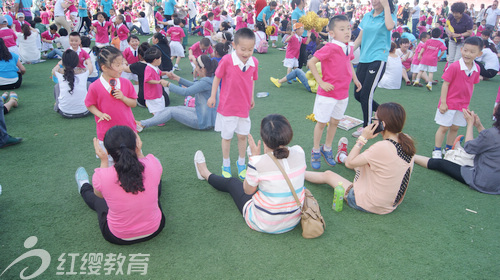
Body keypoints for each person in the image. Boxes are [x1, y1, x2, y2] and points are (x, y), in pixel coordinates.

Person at [194, 114, 306, 233]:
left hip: (263, 223)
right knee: (272, 183)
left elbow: (248, 191)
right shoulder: (299, 151)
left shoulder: (258, 163)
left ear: (263, 139)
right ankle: (254, 175)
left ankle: (204, 173)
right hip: (294, 220)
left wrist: (254, 158)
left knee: (232, 183)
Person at [305, 102, 416, 214]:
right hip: (390, 205)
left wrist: (363, 138)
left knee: (328, 175)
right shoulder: (407, 140)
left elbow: (350, 163)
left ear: (383, 124)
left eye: (375, 119)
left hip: (369, 204)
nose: (372, 122)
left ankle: (297, 174)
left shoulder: (383, 147)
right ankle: (341, 156)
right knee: (363, 164)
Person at [75, 125, 165, 244]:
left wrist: (104, 161)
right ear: (136, 144)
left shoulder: (102, 175)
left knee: (99, 202)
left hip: (119, 236)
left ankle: (83, 184)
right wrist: (138, 151)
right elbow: (147, 166)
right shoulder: (153, 163)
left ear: (107, 151)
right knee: (155, 183)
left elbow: (99, 195)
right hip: (155, 229)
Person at [307, 15, 361, 169]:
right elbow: (311, 62)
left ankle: (327, 148)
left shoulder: (348, 47)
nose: (347, 32)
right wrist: (321, 82)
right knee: (322, 123)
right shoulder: (330, 47)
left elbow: (349, 63)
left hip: (343, 94)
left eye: (348, 28)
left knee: (335, 122)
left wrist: (355, 79)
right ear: (331, 33)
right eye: (342, 29)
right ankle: (316, 150)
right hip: (327, 94)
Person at [207, 28, 258, 180]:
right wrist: (212, 96)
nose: (247, 53)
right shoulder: (227, 60)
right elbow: (217, 77)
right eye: (243, 49)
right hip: (228, 107)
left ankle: (241, 163)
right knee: (227, 137)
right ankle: (226, 164)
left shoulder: (254, 62)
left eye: (250, 49)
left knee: (242, 136)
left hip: (243, 108)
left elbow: (252, 81)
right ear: (234, 46)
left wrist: (251, 97)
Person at [415, 107, 500, 195]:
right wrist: (478, 125)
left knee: (440, 163)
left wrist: (470, 124)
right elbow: (491, 140)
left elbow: (469, 148)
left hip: (484, 182)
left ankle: (411, 156)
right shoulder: (492, 134)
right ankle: (456, 148)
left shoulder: (492, 133)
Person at [136, 55, 217, 131]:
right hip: (205, 117)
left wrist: (168, 84)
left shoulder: (206, 81)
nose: (195, 69)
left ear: (202, 69)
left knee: (171, 111)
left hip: (202, 122)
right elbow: (195, 85)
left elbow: (185, 92)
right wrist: (178, 78)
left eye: (196, 66)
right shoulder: (211, 78)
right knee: (171, 109)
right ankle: (144, 123)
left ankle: (143, 124)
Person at [431, 37, 482, 159]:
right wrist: (443, 103)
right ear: (461, 49)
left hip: (462, 105)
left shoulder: (477, 69)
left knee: (455, 127)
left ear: (479, 54)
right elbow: (445, 84)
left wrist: (467, 103)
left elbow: (472, 86)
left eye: (472, 52)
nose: (467, 54)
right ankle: (437, 149)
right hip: (449, 104)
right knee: (443, 127)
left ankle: (448, 148)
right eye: (465, 50)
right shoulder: (454, 66)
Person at [351, 0, 396, 138]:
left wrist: (387, 6)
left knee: (366, 94)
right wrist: (347, 52)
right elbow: (359, 38)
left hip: (378, 59)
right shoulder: (367, 16)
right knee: (358, 94)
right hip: (364, 59)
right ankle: (387, 113)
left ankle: (368, 128)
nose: (375, 1)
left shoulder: (389, 15)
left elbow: (389, 26)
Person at [84, 46, 137, 153]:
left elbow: (133, 103)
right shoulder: (95, 86)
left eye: (122, 63)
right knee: (109, 160)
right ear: (104, 68)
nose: (122, 67)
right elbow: (89, 104)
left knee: (131, 159)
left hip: (127, 129)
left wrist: (123, 98)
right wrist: (99, 114)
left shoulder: (126, 83)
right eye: (118, 65)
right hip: (106, 132)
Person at [52, 49, 91, 118]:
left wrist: (59, 63)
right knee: (88, 84)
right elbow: (91, 69)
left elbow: (53, 70)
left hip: (64, 112)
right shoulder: (83, 72)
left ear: (64, 62)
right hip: (85, 111)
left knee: (57, 86)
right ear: (77, 61)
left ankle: (57, 105)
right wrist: (89, 62)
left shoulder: (60, 73)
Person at [143, 47, 169, 116]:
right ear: (155, 60)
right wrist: (158, 82)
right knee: (157, 107)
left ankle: (158, 117)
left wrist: (166, 73)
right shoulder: (149, 68)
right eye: (160, 58)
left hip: (157, 92)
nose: (161, 60)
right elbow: (147, 80)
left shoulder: (155, 67)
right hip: (152, 94)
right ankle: (158, 119)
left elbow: (159, 73)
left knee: (160, 105)